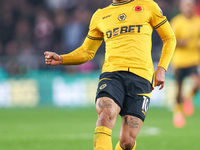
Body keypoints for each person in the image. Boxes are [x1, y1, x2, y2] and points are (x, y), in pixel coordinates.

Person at [44, 0, 176, 149]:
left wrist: (161, 68)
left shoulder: (148, 5)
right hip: (112, 75)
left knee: (128, 142)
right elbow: (87, 51)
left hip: (141, 77)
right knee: (105, 115)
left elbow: (169, 38)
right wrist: (63, 59)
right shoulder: (100, 15)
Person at [170, 0, 200, 128]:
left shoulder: (198, 21)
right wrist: (180, 42)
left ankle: (187, 98)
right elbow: (170, 40)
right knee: (178, 88)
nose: (188, 8)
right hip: (179, 61)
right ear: (181, 8)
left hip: (193, 59)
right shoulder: (176, 22)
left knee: (197, 83)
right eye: (185, 6)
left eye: (190, 6)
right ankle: (177, 113)